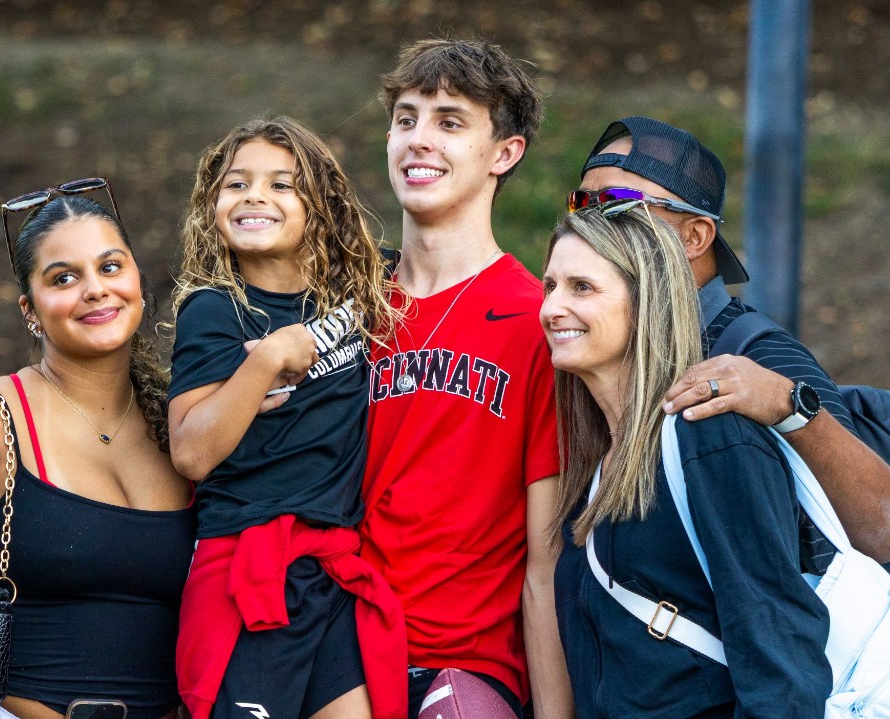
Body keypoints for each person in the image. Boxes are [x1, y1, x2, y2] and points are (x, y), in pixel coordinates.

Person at [542, 205, 830, 718]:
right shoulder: (599, 461)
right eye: (550, 286)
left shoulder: (709, 436)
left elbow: (780, 658)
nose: (551, 308)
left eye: (581, 287)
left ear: (646, 302)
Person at [358, 39, 571, 718]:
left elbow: (545, 564)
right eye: (407, 118)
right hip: (337, 651)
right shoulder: (346, 314)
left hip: (465, 664)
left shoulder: (538, 319)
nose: (419, 139)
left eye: (450, 121)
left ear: (503, 153)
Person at [167, 116, 407, 719]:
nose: (255, 196)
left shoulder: (360, 287)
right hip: (247, 571)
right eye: (237, 183)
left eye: (281, 184)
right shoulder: (214, 309)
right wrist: (269, 357)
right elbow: (191, 453)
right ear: (211, 205)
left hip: (333, 577)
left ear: (320, 206)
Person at [573, 116, 890, 564]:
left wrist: (788, 405)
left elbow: (880, 529)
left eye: (616, 206)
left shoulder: (759, 353)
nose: (590, 225)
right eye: (581, 205)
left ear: (695, 237)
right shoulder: (601, 344)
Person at [0, 189, 196, 719]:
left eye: (110, 266)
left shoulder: (183, 427)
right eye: (63, 278)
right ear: (30, 309)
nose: (95, 290)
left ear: (136, 279)